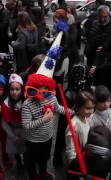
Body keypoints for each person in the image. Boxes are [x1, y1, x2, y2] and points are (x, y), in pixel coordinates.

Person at [22, 33, 74, 180]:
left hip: (47, 137)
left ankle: (43, 171)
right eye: (40, 87)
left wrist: (74, 112)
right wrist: (43, 120)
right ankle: (33, 176)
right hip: (33, 140)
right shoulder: (28, 104)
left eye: (46, 87)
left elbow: (59, 109)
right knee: (32, 161)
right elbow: (26, 125)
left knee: (44, 157)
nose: (43, 91)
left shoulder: (51, 98)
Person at [53, 62, 91, 167]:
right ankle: (57, 158)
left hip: (82, 120)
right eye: (77, 78)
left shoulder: (87, 90)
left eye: (82, 78)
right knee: (62, 136)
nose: (79, 81)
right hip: (67, 120)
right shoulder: (68, 94)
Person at [1, 74, 27, 172]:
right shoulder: (6, 104)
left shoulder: (27, 102)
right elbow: (4, 123)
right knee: (15, 149)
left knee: (25, 147)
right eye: (12, 89)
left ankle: (26, 161)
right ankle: (19, 163)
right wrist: (12, 136)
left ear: (22, 89)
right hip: (13, 131)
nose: (14, 92)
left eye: (17, 89)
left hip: (25, 130)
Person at [65, 91, 95, 163]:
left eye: (93, 108)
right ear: (78, 107)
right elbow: (71, 151)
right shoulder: (73, 126)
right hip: (77, 162)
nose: (91, 111)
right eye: (87, 108)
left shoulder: (87, 118)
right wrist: (76, 164)